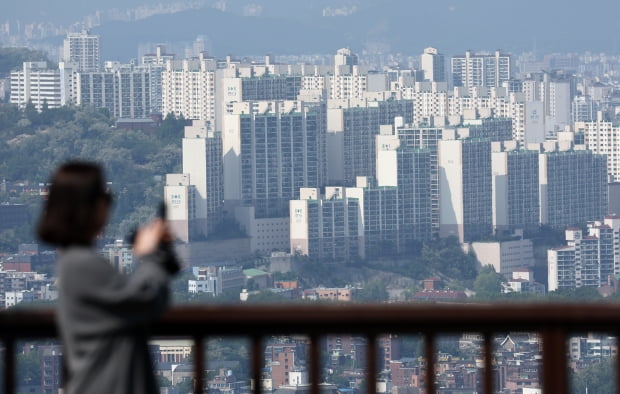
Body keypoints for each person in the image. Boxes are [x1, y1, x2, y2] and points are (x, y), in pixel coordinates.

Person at [37, 161, 180, 394]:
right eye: (104, 196)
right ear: (88, 207)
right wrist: (150, 256)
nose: (108, 204)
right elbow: (146, 299)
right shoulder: (80, 264)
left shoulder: (75, 261)